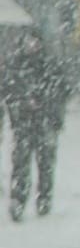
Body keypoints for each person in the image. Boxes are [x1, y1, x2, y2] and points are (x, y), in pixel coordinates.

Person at [1, 30, 70, 221]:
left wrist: (47, 106)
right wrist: (23, 102)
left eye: (35, 42)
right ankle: (18, 201)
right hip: (23, 124)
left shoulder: (49, 66)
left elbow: (61, 91)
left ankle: (44, 200)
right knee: (20, 165)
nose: (32, 46)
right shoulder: (16, 65)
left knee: (45, 165)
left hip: (45, 123)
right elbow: (8, 91)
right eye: (29, 42)